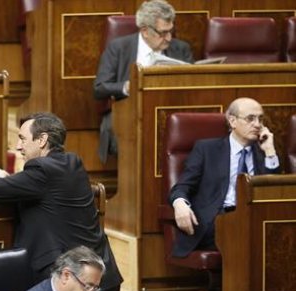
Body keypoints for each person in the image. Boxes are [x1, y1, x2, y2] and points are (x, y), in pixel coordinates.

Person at [0, 112, 122, 291]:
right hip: (103, 278)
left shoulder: (41, 171)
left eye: (23, 139)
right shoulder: (73, 163)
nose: (18, 146)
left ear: (42, 140)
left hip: (74, 284)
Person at [169, 98, 280, 257]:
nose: (257, 124)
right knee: (246, 237)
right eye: (250, 119)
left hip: (255, 220)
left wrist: (270, 151)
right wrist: (179, 204)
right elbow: (182, 186)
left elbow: (275, 194)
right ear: (233, 121)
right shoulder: (207, 149)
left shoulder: (264, 153)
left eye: (260, 119)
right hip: (217, 221)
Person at [93, 0, 193, 163]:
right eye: (162, 33)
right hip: (128, 112)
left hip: (171, 112)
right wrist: (126, 86)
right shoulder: (119, 48)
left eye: (171, 31)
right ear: (145, 31)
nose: (168, 38)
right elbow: (99, 88)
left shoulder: (181, 49)